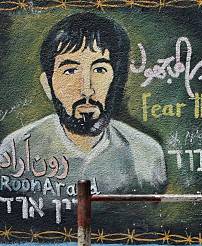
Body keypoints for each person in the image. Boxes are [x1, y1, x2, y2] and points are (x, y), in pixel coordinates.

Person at [0, 12, 167, 194]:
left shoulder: (147, 155)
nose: (86, 89)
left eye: (100, 69)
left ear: (116, 81)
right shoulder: (15, 150)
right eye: (70, 71)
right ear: (48, 85)